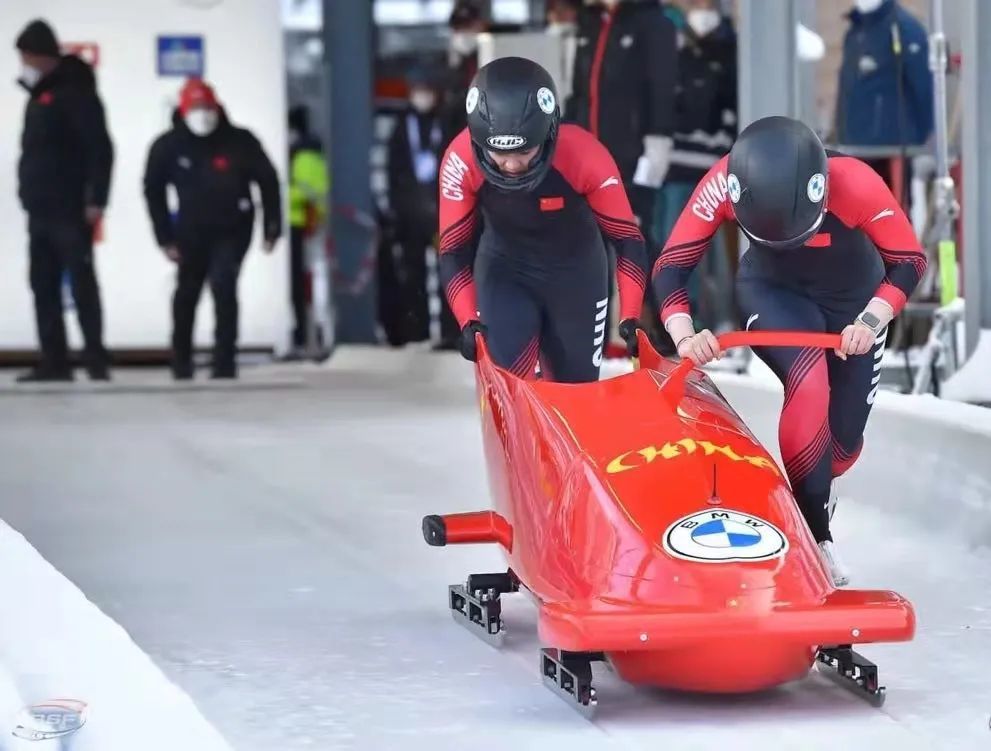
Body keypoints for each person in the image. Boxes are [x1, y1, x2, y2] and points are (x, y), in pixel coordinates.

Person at [651, 116, 927, 586]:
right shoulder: (722, 183)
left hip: (855, 304)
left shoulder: (856, 183)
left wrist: (873, 318)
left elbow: (909, 262)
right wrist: (684, 336)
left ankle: (816, 490)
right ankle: (818, 539)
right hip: (772, 293)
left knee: (839, 449)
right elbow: (670, 268)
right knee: (808, 380)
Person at [437, 57, 648, 382]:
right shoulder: (460, 160)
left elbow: (627, 240)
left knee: (575, 393)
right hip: (505, 274)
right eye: (500, 154)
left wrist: (630, 315)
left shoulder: (584, 155)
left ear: (547, 134)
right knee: (509, 382)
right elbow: (453, 249)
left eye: (524, 153)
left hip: (577, 278)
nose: (511, 165)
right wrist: (467, 320)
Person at [143, 78, 282, 380]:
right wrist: (164, 236)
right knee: (186, 294)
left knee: (224, 285)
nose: (202, 114)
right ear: (183, 109)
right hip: (190, 232)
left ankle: (224, 363)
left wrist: (273, 226)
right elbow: (153, 191)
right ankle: (181, 362)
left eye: (207, 107)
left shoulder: (241, 141)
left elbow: (268, 182)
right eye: (195, 108)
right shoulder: (168, 146)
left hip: (233, 228)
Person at [564, 0, 678, 350]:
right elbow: (579, 92)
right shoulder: (591, 23)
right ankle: (602, 330)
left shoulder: (652, 22)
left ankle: (660, 323)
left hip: (633, 155)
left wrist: (657, 143)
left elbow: (661, 89)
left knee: (636, 239)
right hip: (589, 156)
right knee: (589, 242)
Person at [15, 19, 114, 382]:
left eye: (25, 56)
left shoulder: (75, 92)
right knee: (42, 282)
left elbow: (99, 148)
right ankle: (54, 360)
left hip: (70, 207)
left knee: (82, 282)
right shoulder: (39, 95)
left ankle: (95, 358)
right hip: (40, 207)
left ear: (40, 55)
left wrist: (96, 199)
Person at [654, 0, 737, 334]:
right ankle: (683, 319)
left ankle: (724, 317)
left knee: (719, 253)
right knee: (677, 247)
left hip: (716, 168)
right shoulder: (673, 51)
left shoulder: (731, 50)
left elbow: (732, 106)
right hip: (677, 166)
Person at [385, 68, 447, 346]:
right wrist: (396, 208)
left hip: (441, 211)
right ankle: (416, 329)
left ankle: (450, 331)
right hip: (410, 214)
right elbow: (392, 169)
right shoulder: (402, 125)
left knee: (448, 271)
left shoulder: (444, 122)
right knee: (413, 273)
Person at [288, 105, 328, 355]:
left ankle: (308, 338)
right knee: (307, 288)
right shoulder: (310, 155)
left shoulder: (302, 157)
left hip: (303, 228)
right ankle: (308, 337)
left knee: (306, 289)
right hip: (304, 228)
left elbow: (311, 194)